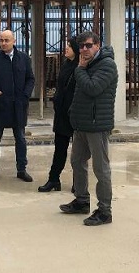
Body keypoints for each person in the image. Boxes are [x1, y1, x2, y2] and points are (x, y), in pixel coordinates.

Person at [59, 31, 118, 226]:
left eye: (88, 45)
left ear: (98, 45)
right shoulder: (87, 65)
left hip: (97, 125)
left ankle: (104, 211)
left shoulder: (107, 65)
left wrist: (80, 69)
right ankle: (82, 200)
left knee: (101, 169)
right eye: (81, 46)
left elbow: (93, 88)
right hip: (82, 124)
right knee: (77, 162)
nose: (84, 49)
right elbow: (79, 94)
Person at [0, 29, 35, 183]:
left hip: (18, 105)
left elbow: (30, 79)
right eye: (1, 40)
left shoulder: (24, 59)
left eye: (7, 40)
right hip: (0, 105)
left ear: (14, 41)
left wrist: (25, 95)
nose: (3, 43)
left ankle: (21, 169)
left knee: (20, 138)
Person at [38, 38, 80, 192]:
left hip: (75, 114)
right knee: (59, 150)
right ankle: (53, 179)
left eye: (69, 46)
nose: (66, 48)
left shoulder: (81, 67)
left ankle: (78, 182)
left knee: (78, 153)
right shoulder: (66, 65)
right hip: (62, 114)